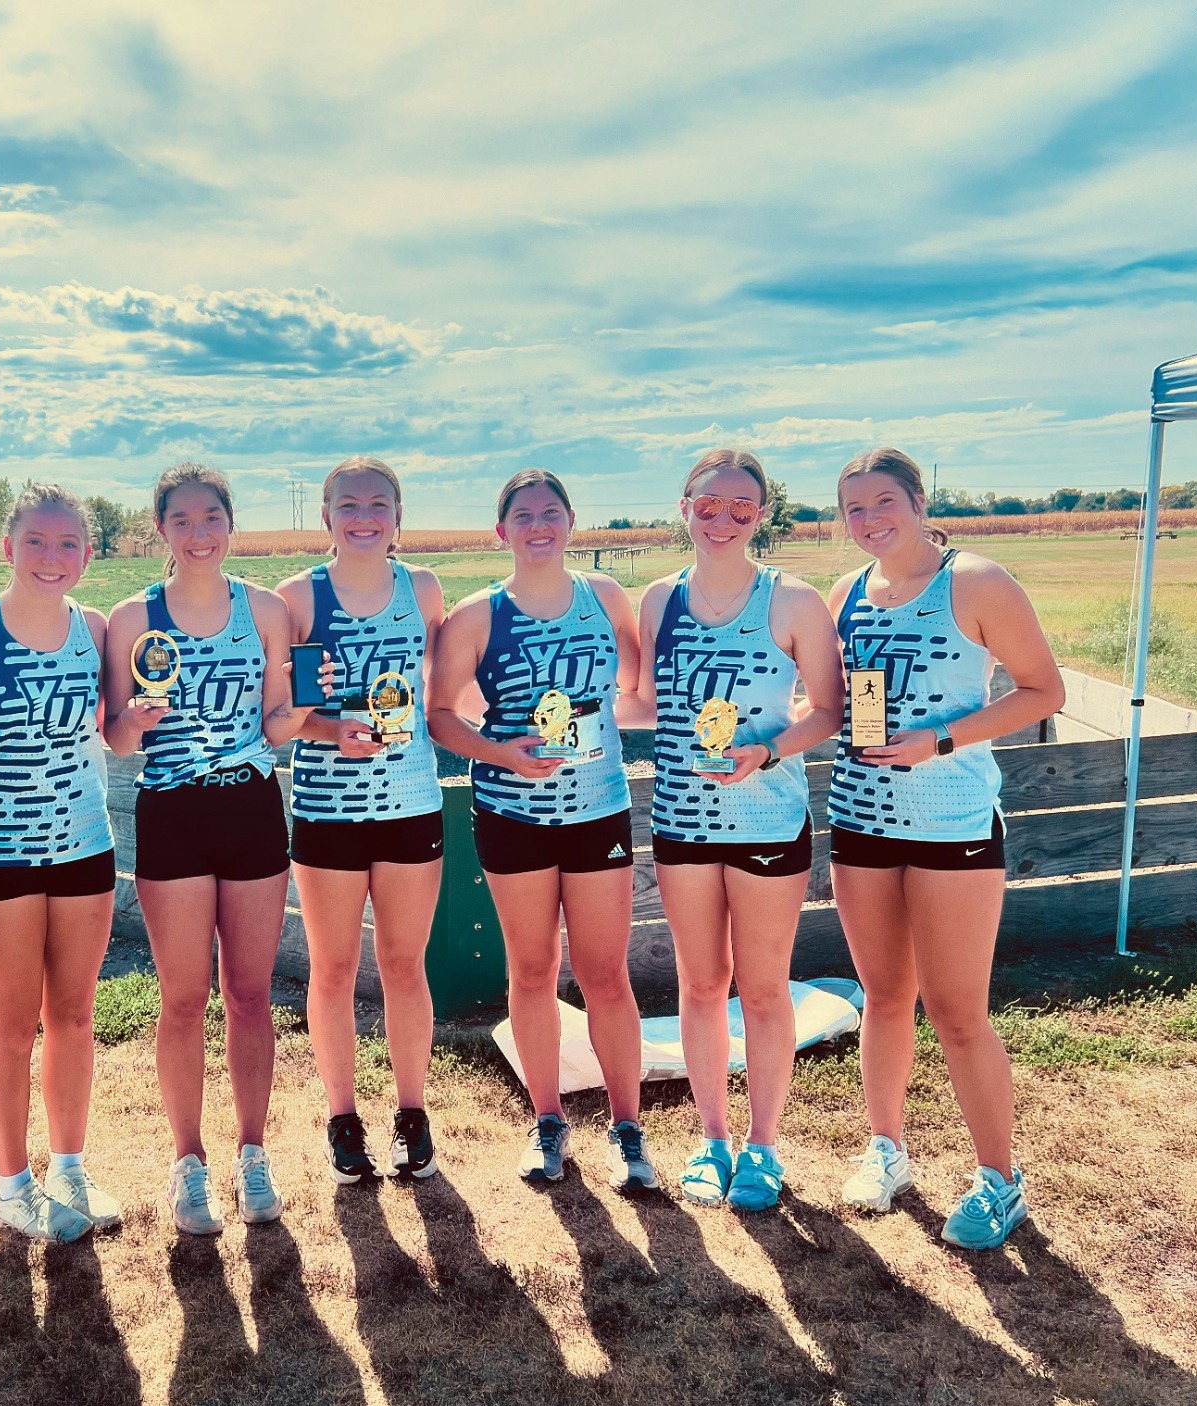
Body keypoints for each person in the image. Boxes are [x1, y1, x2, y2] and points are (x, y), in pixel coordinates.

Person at [827, 447, 1064, 1250]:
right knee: (885, 998)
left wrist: (943, 738)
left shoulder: (978, 582)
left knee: (959, 1014)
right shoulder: (847, 594)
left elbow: (1044, 691)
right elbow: (837, 704)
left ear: (920, 501)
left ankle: (1000, 1181)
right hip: (859, 825)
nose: (870, 520)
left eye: (884, 501)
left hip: (952, 826)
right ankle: (886, 1150)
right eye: (854, 509)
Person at [103, 462, 318, 1234]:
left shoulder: (263, 610)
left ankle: (252, 1154)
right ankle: (187, 1162)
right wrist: (134, 721)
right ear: (161, 529)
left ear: (231, 524)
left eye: (211, 518)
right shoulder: (133, 618)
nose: (199, 534)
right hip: (172, 812)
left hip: (253, 807)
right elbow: (115, 736)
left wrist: (309, 712)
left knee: (253, 995)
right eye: (183, 520)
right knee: (186, 997)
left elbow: (275, 723)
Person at [427, 468, 650, 1191]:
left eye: (550, 512)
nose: (538, 525)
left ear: (571, 521)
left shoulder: (607, 597)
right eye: (522, 515)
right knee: (531, 970)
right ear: (502, 532)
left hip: (598, 812)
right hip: (512, 813)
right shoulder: (478, 616)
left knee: (605, 972)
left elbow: (639, 689)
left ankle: (628, 1129)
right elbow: (441, 714)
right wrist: (503, 754)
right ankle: (548, 1121)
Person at [636, 449, 843, 1212]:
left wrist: (767, 749)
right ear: (684, 506)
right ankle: (710, 1137)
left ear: (763, 515)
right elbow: (637, 700)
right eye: (708, 504)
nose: (723, 519)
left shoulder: (793, 600)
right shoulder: (657, 600)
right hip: (683, 819)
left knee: (761, 988)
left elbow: (827, 710)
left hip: (768, 818)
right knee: (699, 983)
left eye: (742, 507)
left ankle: (763, 1145)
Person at [0, 484, 118, 1244]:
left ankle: (69, 1166)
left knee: (72, 1014)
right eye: (35, 541)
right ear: (7, 548)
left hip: (83, 846)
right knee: (10, 1023)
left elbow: (114, 727)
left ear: (87, 556)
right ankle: (12, 1187)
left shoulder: (95, 629)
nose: (51, 557)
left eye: (68, 544)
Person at [276, 456, 446, 1184]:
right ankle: (342, 1117)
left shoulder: (426, 590)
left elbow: (438, 691)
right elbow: (280, 718)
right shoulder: (298, 599)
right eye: (349, 504)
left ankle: (412, 1111)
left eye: (379, 503)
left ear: (398, 516)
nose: (365, 516)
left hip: (411, 803)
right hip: (329, 811)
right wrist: (330, 731)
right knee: (336, 967)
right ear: (326, 517)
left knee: (405, 965)